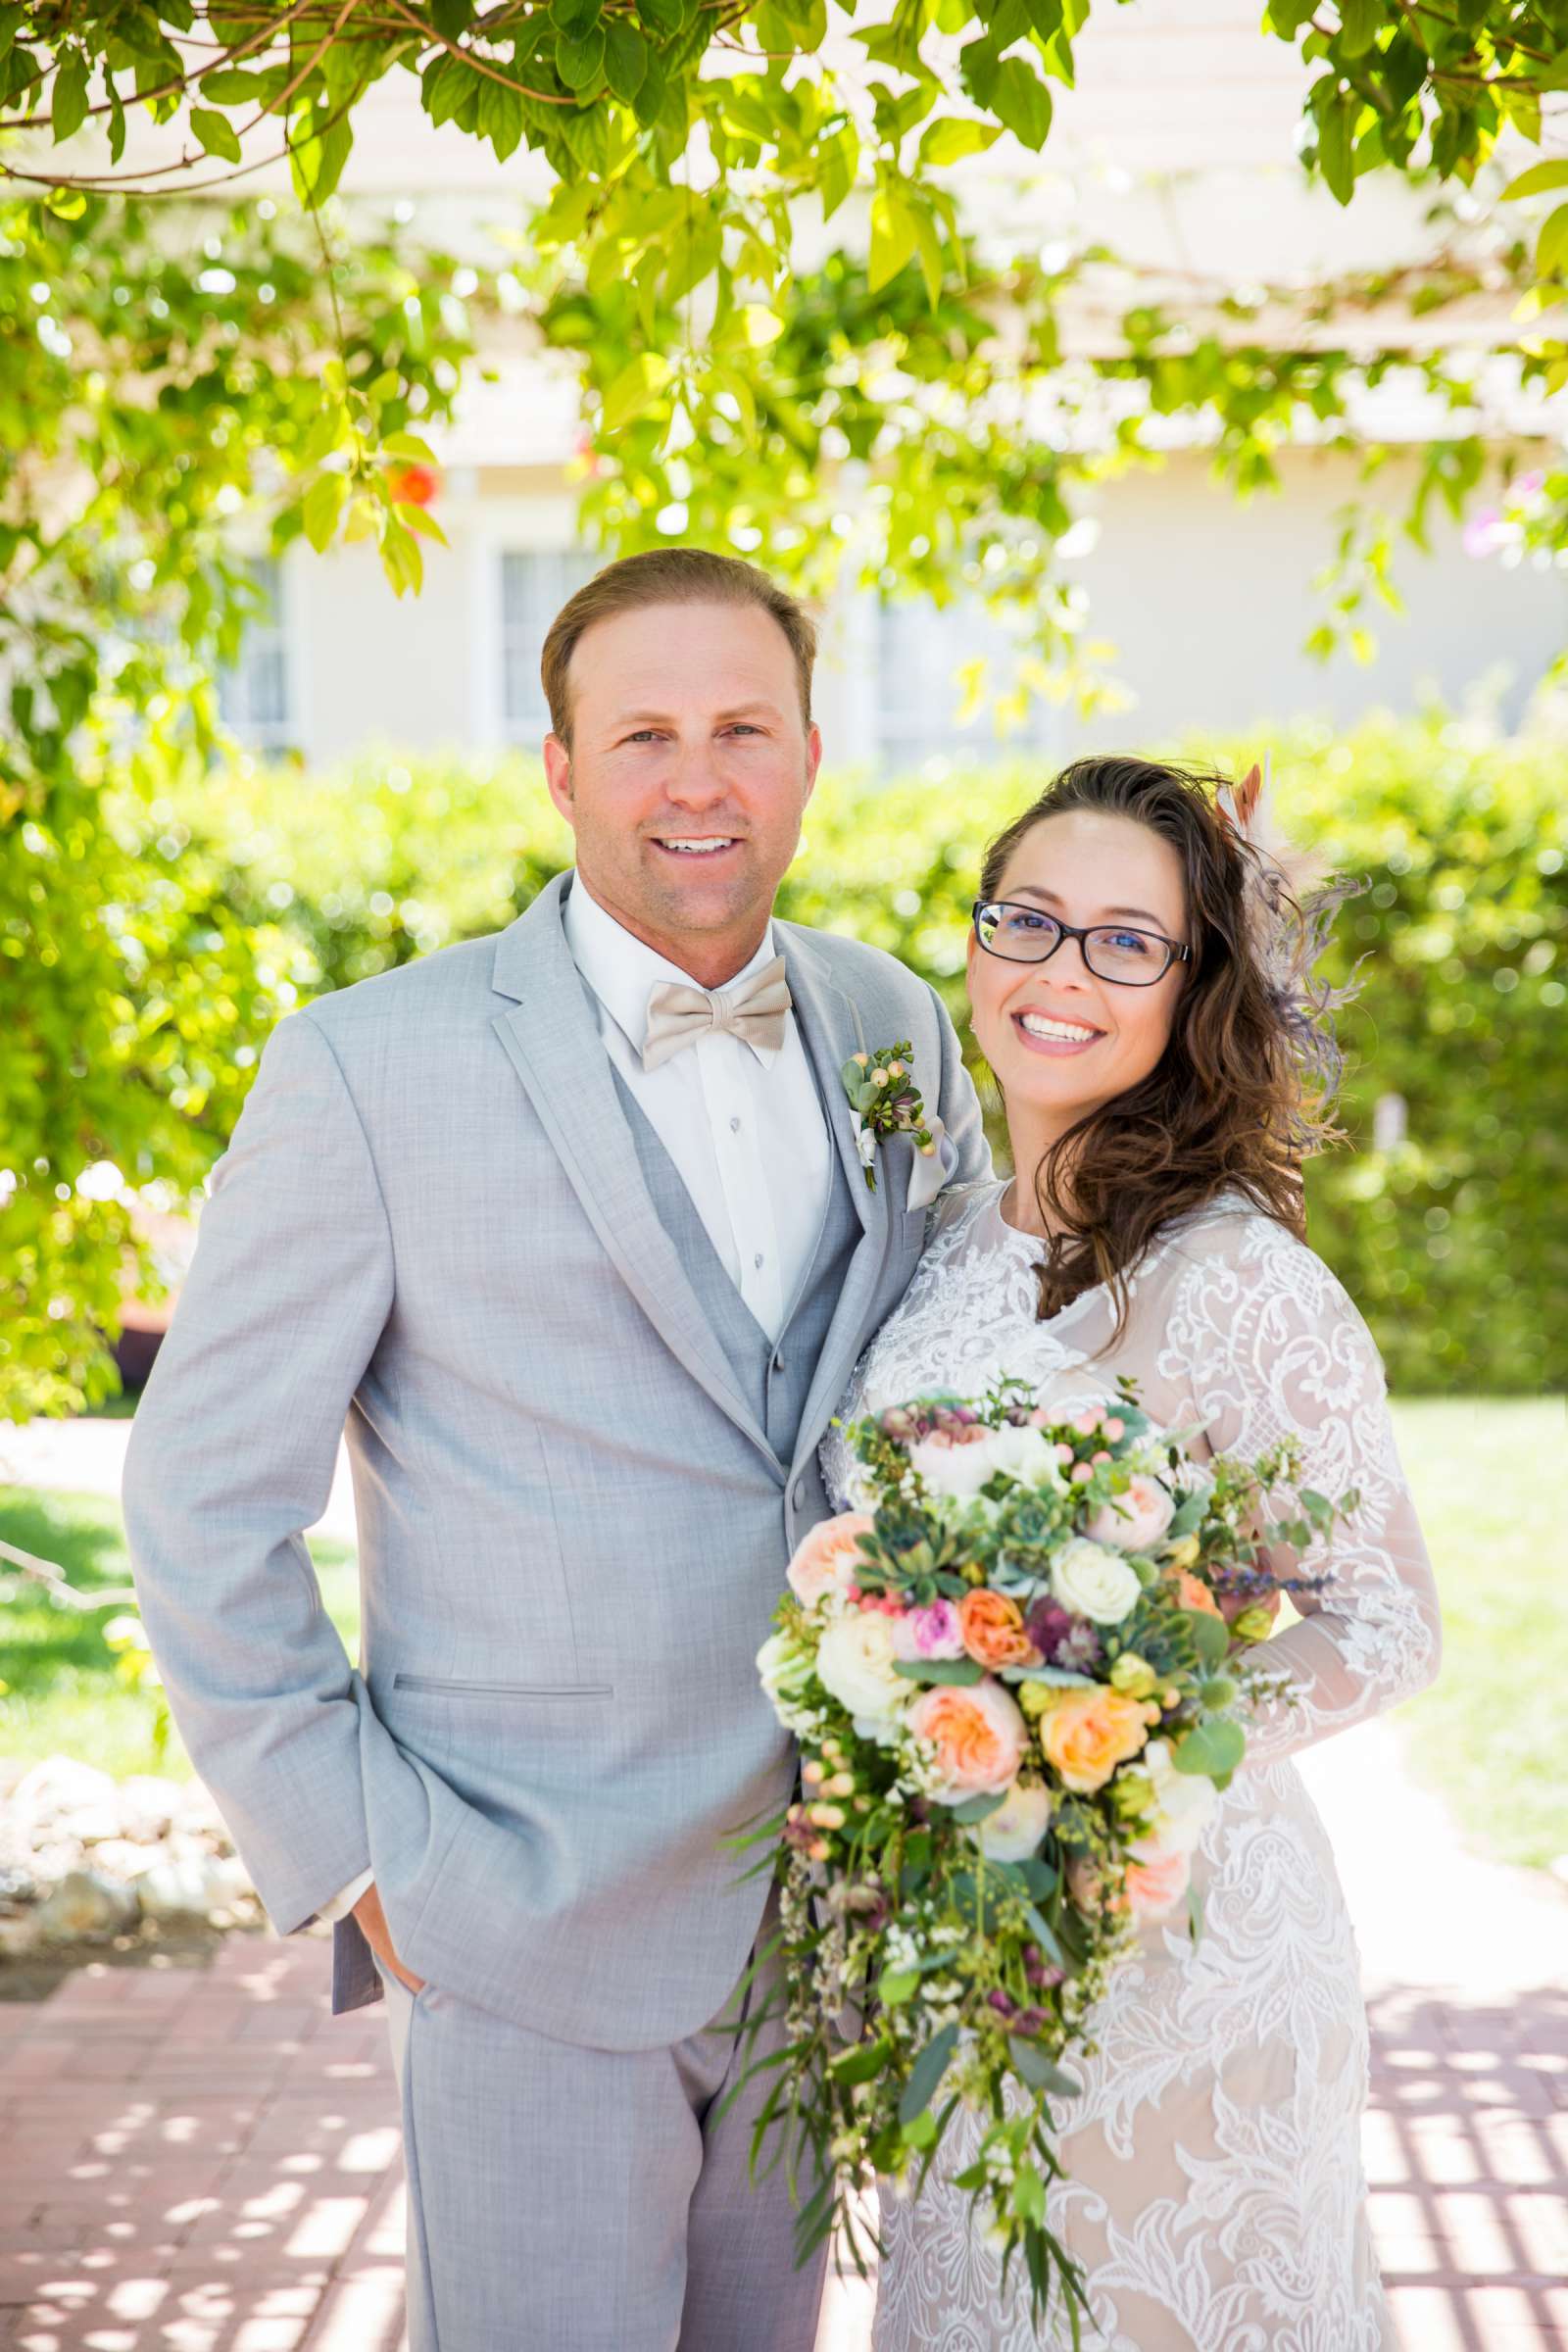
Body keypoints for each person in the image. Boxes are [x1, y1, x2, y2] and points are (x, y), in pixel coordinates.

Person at [122, 547, 991, 2352]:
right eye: (645, 731)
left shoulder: (901, 1028)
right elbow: (204, 1493)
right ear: (561, 768)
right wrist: (356, 1851)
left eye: (743, 727)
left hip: (822, 1914)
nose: (699, 777)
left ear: (813, 756)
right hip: (514, 1912)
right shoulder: (373, 1067)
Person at [821, 754, 1441, 2350]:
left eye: (1125, 940)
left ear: (1190, 987)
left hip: (1187, 1959)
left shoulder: (1233, 1275)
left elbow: (1381, 1621)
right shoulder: (946, 1230)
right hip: (971, 1958)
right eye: (1029, 919)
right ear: (973, 940)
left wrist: (1123, 1753)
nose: (1061, 972)